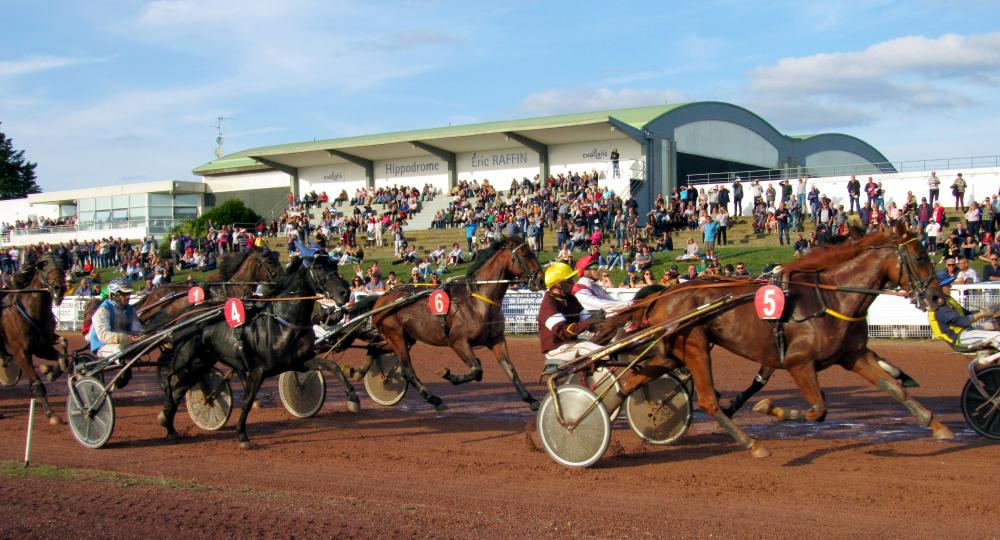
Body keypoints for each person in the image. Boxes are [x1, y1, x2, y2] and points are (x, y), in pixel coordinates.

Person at [536, 262, 604, 374]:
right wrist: (589, 322)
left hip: (572, 343)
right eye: (569, 280)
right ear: (558, 284)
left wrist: (600, 320)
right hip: (556, 349)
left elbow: (586, 318)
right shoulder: (548, 305)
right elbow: (563, 332)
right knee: (601, 351)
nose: (573, 282)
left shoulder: (570, 298)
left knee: (605, 343)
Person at [89, 277, 143, 360]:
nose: (128, 297)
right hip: (102, 345)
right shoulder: (104, 310)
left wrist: (142, 336)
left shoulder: (129, 309)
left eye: (129, 293)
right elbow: (103, 335)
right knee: (119, 350)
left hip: (124, 343)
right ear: (114, 294)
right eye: (124, 294)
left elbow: (137, 330)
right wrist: (126, 338)